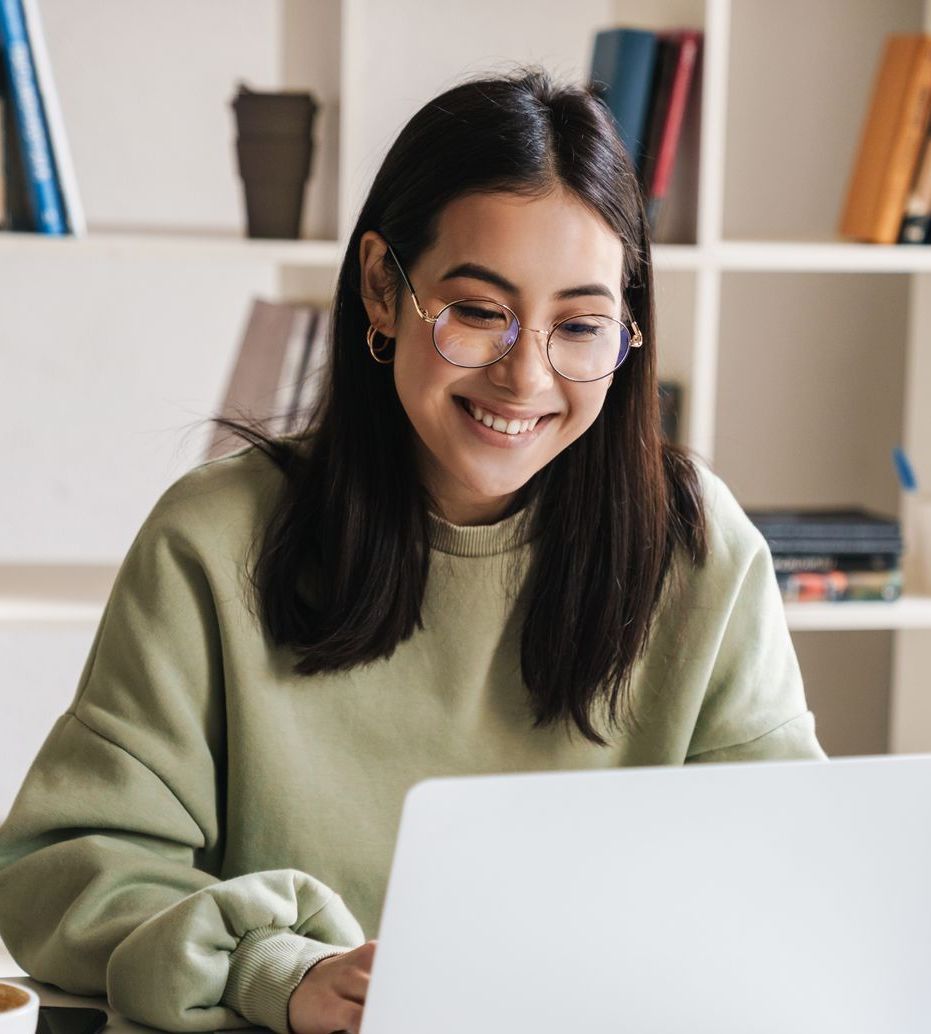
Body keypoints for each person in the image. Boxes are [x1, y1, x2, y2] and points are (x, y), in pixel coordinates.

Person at [0, 66, 826, 1034]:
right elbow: (66, 870)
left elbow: (789, 882)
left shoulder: (699, 552)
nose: (526, 376)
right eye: (479, 311)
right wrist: (274, 969)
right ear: (382, 291)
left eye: (580, 326)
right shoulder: (214, 539)